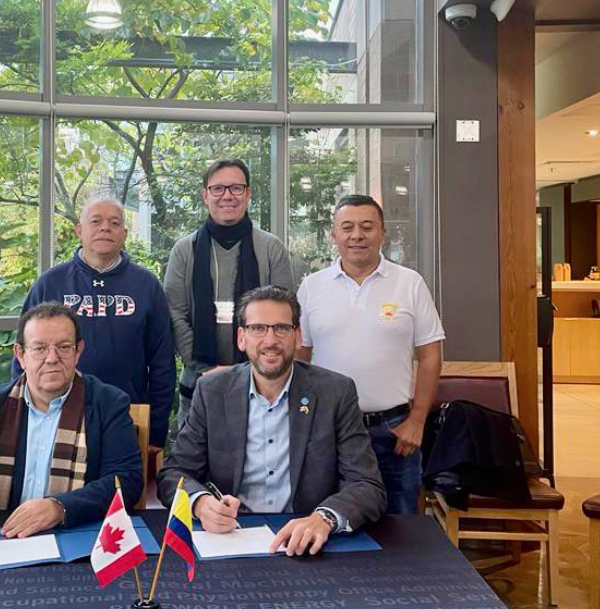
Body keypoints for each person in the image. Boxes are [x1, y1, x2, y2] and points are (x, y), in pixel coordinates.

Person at [157, 286, 385, 556]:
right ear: (241, 338)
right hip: (231, 537)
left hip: (306, 537)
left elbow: (367, 485)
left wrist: (324, 518)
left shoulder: (335, 392)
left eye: (281, 328)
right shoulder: (212, 391)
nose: (270, 340)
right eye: (257, 329)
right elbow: (174, 473)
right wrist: (201, 503)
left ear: (297, 336)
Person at [0, 303, 142, 543]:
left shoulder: (108, 404)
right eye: (39, 348)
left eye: (63, 347)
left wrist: (59, 507)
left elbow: (126, 481)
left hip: (75, 540)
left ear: (78, 351)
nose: (52, 359)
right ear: (20, 355)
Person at [296, 195, 444, 515]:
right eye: (347, 227)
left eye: (367, 227)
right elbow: (299, 358)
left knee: (401, 525)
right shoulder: (311, 287)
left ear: (382, 233)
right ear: (333, 235)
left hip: (393, 430)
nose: (357, 235)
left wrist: (417, 420)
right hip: (327, 430)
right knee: (327, 521)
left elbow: (430, 355)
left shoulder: (410, 283)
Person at [14, 197, 175, 450]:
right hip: (56, 413)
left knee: (122, 487)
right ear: (80, 230)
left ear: (124, 233)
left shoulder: (146, 285)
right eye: (96, 221)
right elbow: (23, 356)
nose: (105, 228)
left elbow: (162, 362)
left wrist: (156, 430)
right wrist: (23, 417)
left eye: (114, 223)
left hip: (128, 414)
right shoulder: (51, 283)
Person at [164, 159, 294, 428]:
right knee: (197, 462)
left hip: (262, 385)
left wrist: (249, 370)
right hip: (198, 382)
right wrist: (207, 370)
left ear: (248, 194)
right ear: (205, 196)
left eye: (236, 188)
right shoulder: (184, 250)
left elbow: (285, 316)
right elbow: (174, 314)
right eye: (218, 189)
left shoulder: (271, 248)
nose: (227, 196)